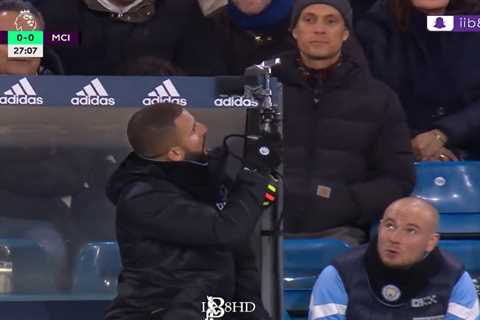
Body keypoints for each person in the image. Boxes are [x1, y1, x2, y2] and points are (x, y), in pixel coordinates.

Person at [104, 103, 277, 320]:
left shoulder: (203, 178)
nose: (204, 129)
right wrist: (254, 174)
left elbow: (236, 246)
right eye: (194, 129)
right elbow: (225, 231)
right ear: (175, 153)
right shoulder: (143, 198)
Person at [270, 0, 414, 243]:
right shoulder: (261, 88)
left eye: (331, 21)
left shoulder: (379, 98)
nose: (319, 29)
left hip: (340, 233)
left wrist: (346, 202)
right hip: (264, 230)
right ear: (294, 30)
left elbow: (398, 178)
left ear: (346, 33)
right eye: (309, 19)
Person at [308, 197, 480, 320]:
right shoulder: (339, 274)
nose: (394, 238)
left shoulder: (455, 278)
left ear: (430, 242)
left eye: (411, 230)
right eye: (390, 225)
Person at [357, 0, 480, 160]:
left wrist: (444, 133)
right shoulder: (377, 25)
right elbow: (367, 100)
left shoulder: (473, 22)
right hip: (398, 155)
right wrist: (413, 144)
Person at [37, 0, 225, 75]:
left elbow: (209, 76)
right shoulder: (56, 12)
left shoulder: (181, 12)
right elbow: (10, 42)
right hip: (71, 127)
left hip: (160, 131)